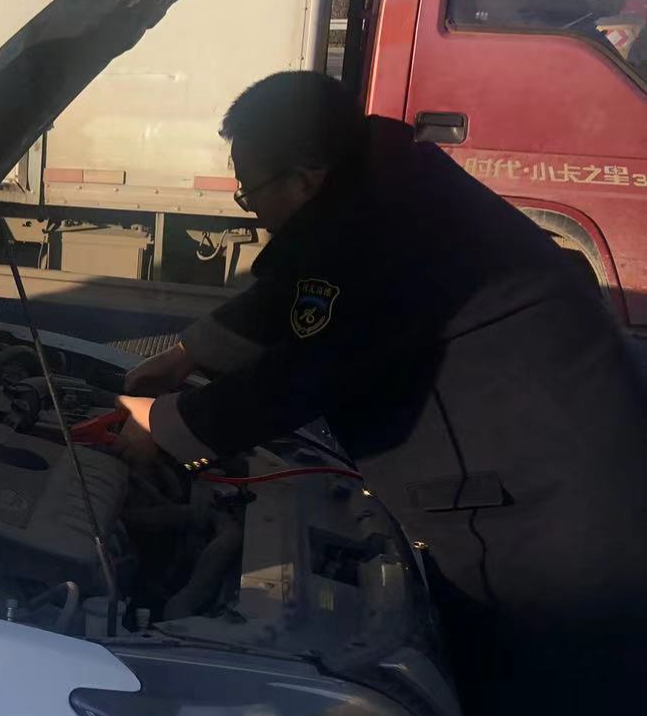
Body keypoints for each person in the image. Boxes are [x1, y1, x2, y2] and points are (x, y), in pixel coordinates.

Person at [114, 71, 647, 716]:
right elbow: (296, 294)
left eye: (249, 191)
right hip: (567, 460)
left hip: (550, 527)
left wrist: (167, 427)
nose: (248, 207)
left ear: (305, 179)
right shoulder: (380, 183)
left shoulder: (382, 232)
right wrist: (188, 355)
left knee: (537, 686)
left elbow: (307, 373)